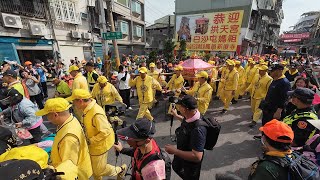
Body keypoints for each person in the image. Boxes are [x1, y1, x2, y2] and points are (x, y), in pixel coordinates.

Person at [66, 89, 126, 180]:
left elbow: (105, 131)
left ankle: (120, 169)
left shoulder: (96, 113)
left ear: (81, 101)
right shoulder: (86, 109)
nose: (73, 104)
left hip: (100, 144)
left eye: (74, 102)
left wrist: (90, 141)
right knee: (94, 168)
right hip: (93, 142)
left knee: (98, 170)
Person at [35, 98, 92, 179]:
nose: (47, 118)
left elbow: (67, 168)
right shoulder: (71, 119)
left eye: (47, 115)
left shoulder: (68, 138)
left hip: (76, 175)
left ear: (55, 115)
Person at [165, 95, 207, 180]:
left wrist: (175, 151)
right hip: (183, 154)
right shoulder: (192, 115)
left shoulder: (198, 130)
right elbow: (187, 122)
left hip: (190, 165)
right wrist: (176, 116)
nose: (178, 108)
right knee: (176, 166)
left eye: (180, 106)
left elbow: (197, 156)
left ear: (184, 109)